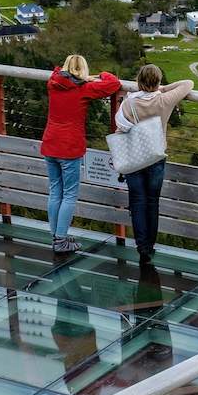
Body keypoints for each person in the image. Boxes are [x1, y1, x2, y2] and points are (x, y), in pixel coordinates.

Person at [40, 54, 120, 253]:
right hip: (70, 147)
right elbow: (114, 84)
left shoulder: (53, 84)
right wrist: (99, 75)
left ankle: (57, 235)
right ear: (83, 70)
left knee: (55, 190)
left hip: (50, 143)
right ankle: (60, 241)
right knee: (69, 195)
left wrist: (80, 78)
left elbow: (56, 72)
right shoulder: (84, 89)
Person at [113, 64, 193, 263]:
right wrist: (162, 89)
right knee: (152, 203)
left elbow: (120, 129)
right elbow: (188, 83)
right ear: (157, 82)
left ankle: (142, 248)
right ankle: (150, 244)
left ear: (139, 81)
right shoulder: (164, 100)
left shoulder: (128, 103)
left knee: (138, 203)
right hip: (156, 157)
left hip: (133, 158)